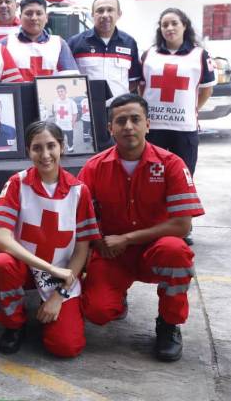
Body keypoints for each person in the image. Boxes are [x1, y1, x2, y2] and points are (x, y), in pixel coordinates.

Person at [78, 94, 204, 362]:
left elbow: (182, 225)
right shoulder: (93, 167)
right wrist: (98, 241)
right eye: (120, 121)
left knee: (176, 251)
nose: (128, 126)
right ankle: (117, 296)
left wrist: (127, 238)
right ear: (109, 129)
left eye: (135, 119)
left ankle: (169, 325)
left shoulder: (172, 164)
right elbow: (80, 218)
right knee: (97, 311)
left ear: (148, 124)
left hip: (155, 251)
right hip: (112, 254)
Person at [0, 121, 100, 358]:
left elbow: (81, 250)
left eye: (51, 146)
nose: (45, 155)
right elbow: (1, 238)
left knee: (66, 347)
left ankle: (54, 307)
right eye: (37, 148)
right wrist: (48, 268)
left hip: (60, 273)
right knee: (0, 264)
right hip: (26, 266)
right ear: (28, 151)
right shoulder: (17, 183)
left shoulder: (79, 191)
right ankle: (14, 323)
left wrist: (59, 296)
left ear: (62, 146)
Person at [139, 8, 216, 176]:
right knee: (151, 177)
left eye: (174, 23)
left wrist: (190, 109)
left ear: (185, 26)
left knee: (183, 177)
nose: (169, 28)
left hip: (184, 130)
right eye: (164, 25)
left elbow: (206, 91)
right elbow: (142, 88)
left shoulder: (200, 55)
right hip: (153, 129)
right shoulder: (148, 55)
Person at [67, 0, 141, 99]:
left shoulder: (129, 43)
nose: (105, 15)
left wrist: (118, 96)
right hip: (87, 110)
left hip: (119, 110)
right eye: (100, 10)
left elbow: (134, 80)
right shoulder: (75, 43)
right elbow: (67, 79)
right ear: (92, 14)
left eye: (110, 10)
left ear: (119, 14)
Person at [4, 0, 79, 81]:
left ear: (46, 17)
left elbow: (72, 80)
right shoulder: (6, 44)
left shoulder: (59, 44)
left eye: (39, 13)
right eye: (28, 14)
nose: (34, 18)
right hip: (18, 94)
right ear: (20, 17)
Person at [51, 84, 78, 153]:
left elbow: (75, 114)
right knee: (59, 139)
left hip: (68, 126)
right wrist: (56, 122)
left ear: (65, 91)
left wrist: (73, 123)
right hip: (59, 126)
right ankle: (61, 150)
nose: (60, 93)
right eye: (58, 92)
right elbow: (55, 113)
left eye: (61, 91)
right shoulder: (55, 102)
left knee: (70, 139)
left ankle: (70, 148)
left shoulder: (71, 102)